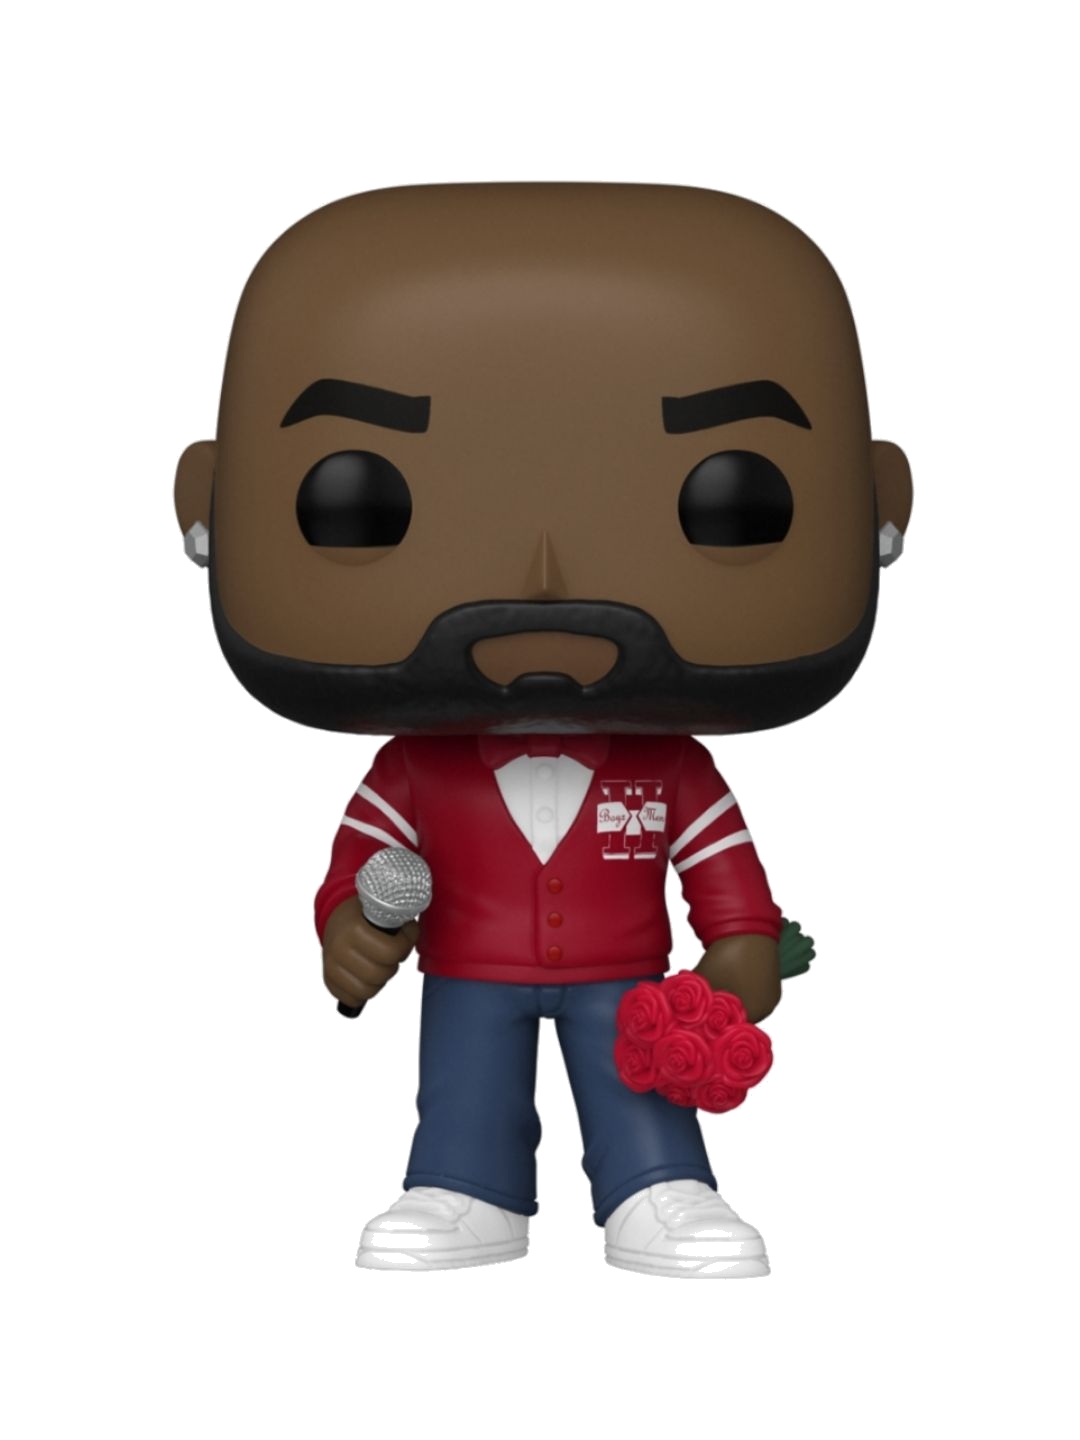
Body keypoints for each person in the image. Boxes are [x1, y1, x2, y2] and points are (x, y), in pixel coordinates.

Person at [176, 182, 912, 1276]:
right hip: (469, 972)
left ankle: (659, 1184)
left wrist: (740, 957)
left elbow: (727, 883)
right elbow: (360, 873)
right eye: (357, 497)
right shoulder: (412, 773)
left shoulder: (675, 771)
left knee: (638, 1083)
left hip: (628, 976)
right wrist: (354, 930)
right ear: (208, 510)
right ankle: (461, 1185)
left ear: (879, 509)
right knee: (463, 1081)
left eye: (735, 496)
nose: (545, 581)